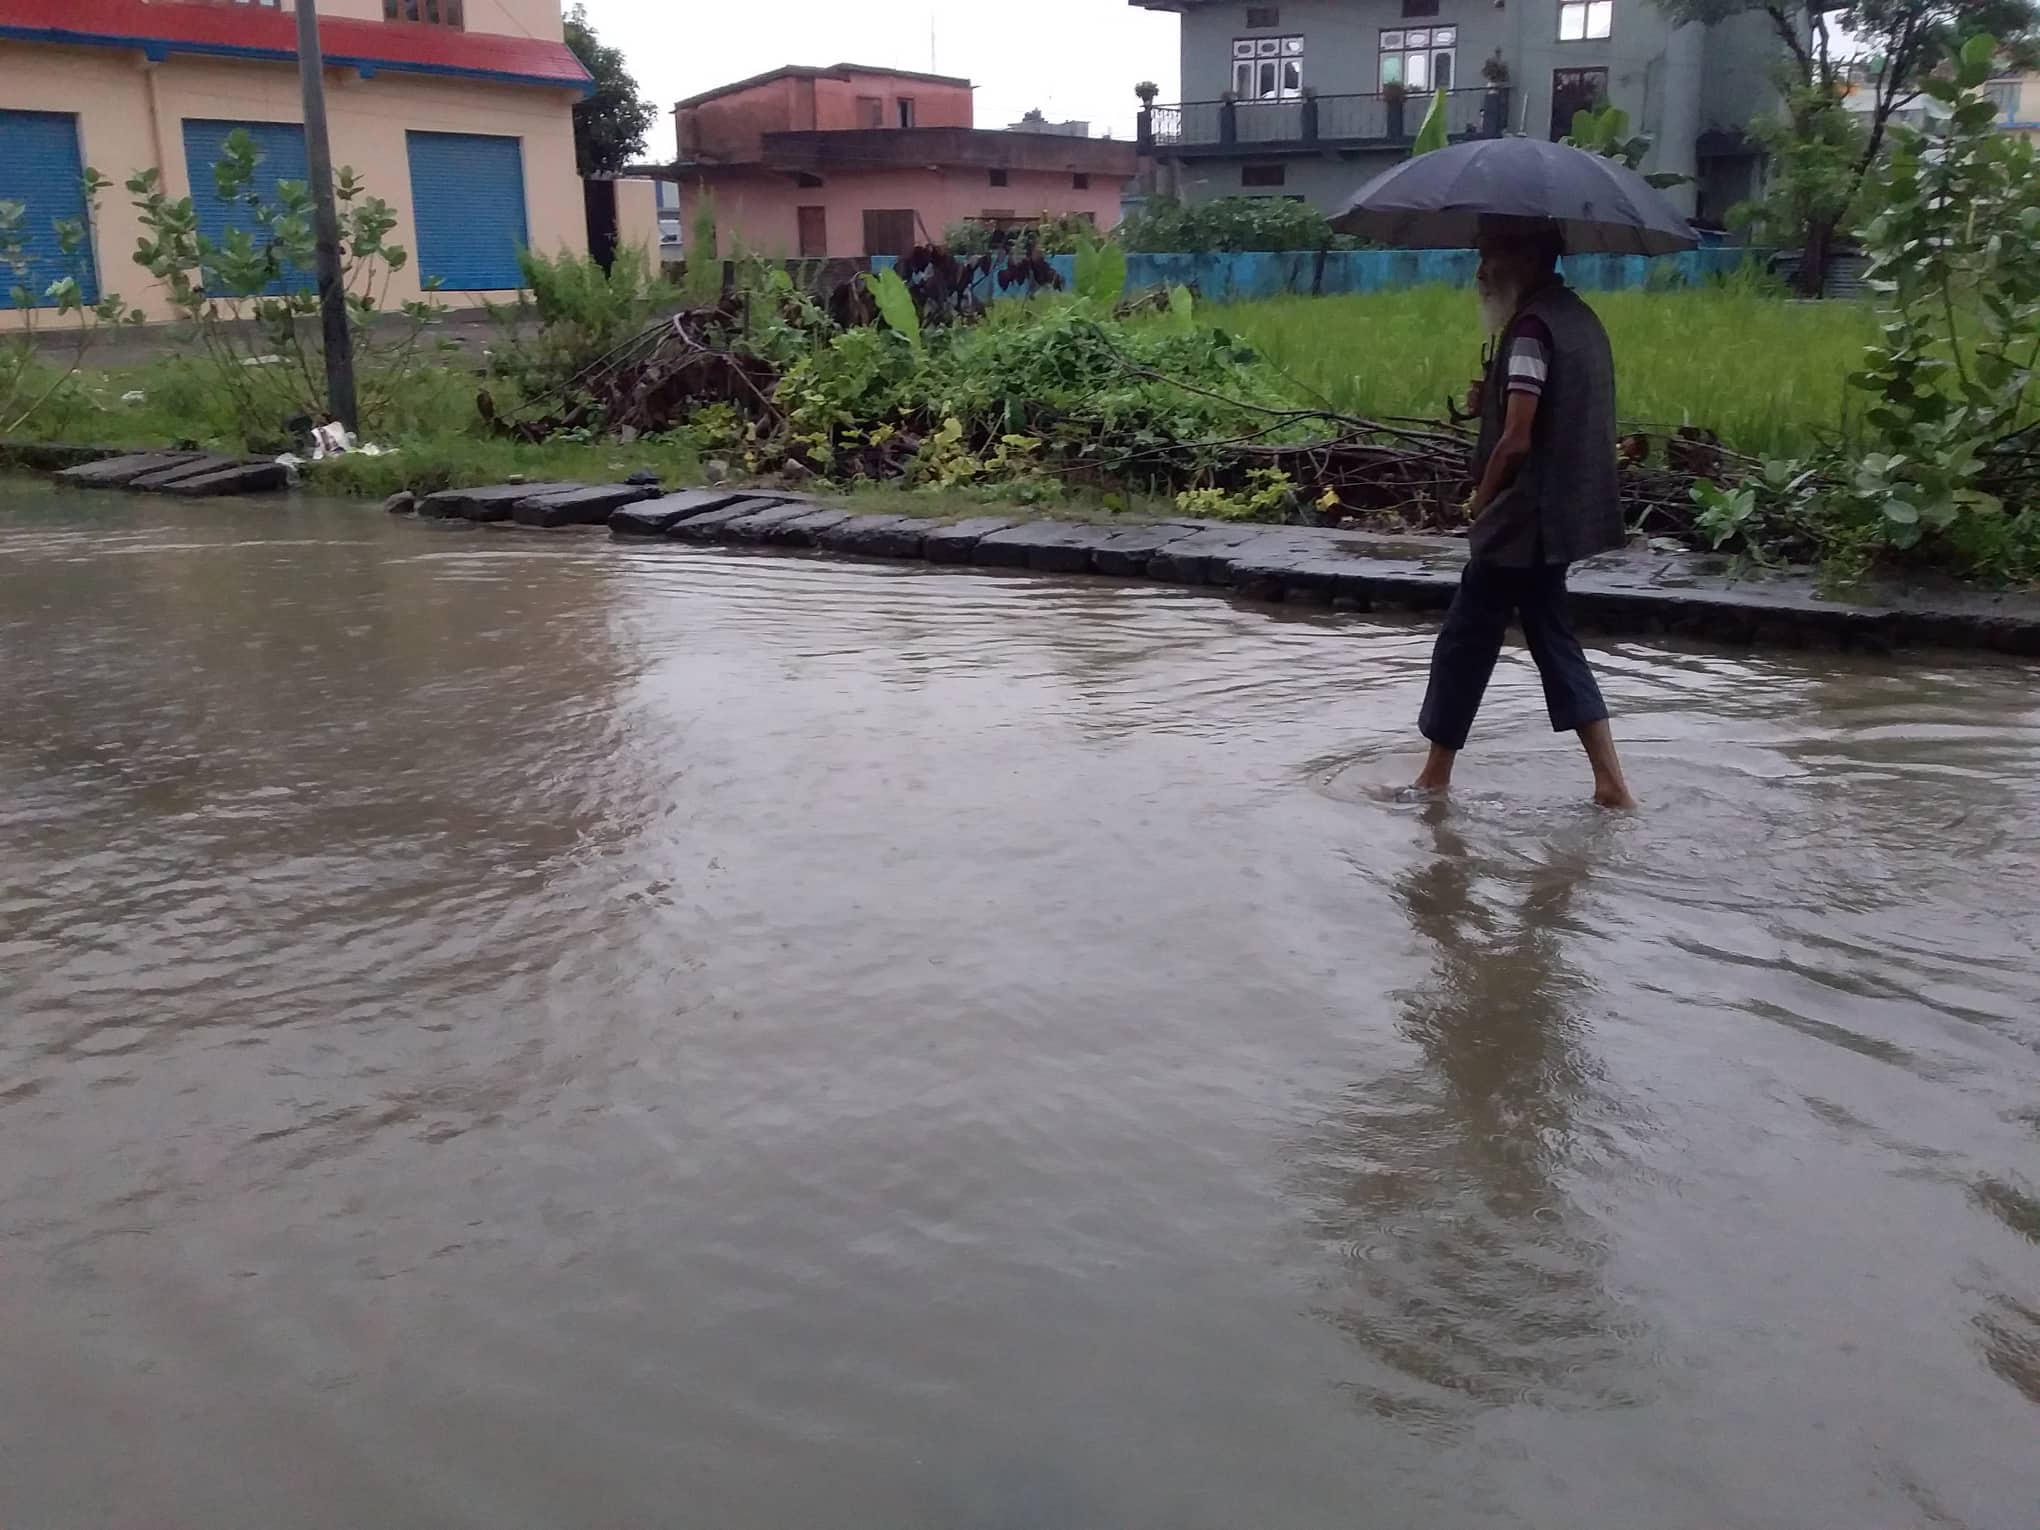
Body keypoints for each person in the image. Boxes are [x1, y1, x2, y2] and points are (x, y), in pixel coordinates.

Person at [1409, 218, 1638, 810]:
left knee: (1466, 638)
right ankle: (1611, 784)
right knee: (1552, 638)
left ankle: (1434, 777)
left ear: (1526, 257)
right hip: (1560, 515)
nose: (1480, 270)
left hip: (1523, 517)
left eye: (1489, 256)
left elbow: (1516, 440)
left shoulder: (1533, 330)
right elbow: (1547, 405)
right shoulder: (1576, 318)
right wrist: (1487, 398)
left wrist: (1482, 500)